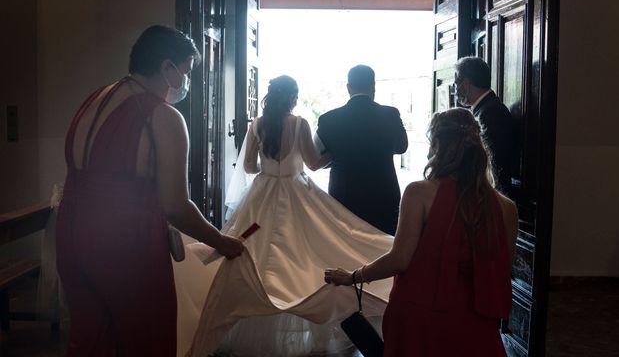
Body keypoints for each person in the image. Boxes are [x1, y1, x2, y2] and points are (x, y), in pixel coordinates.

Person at [55, 25, 244, 356]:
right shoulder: (163, 116)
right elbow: (174, 205)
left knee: (91, 340)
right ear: (166, 67)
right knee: (145, 340)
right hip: (126, 244)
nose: (185, 82)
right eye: (184, 72)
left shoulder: (94, 98)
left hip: (70, 234)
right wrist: (222, 242)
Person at [173, 75, 395, 357]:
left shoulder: (258, 124)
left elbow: (250, 166)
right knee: (306, 253)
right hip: (295, 192)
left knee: (257, 253)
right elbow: (314, 163)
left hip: (262, 193)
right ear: (293, 97)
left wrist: (271, 169)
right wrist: (333, 155)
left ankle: (249, 311)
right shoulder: (299, 123)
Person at [325, 108, 518, 357]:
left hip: (421, 315)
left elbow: (400, 259)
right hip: (476, 319)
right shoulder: (506, 207)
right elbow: (501, 269)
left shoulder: (419, 193)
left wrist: (353, 276)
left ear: (437, 144)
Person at [315, 65, 408, 234]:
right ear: (373, 86)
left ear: (348, 87)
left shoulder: (328, 119)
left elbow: (317, 156)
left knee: (346, 245)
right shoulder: (391, 114)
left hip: (343, 193)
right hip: (384, 192)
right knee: (384, 243)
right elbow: (402, 147)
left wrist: (338, 154)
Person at [454, 56, 516, 194]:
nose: (455, 90)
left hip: (491, 192)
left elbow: (492, 160)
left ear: (465, 84)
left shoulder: (491, 112)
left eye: (455, 83)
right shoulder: (485, 109)